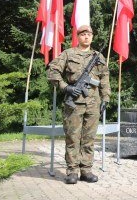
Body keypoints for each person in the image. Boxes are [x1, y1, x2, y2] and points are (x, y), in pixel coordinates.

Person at [47, 25, 110, 184]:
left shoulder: (98, 57)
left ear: (92, 37)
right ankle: (72, 171)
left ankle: (86, 170)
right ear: (78, 37)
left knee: (89, 138)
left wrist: (106, 98)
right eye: (83, 34)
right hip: (74, 103)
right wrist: (67, 87)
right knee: (73, 137)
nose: (86, 37)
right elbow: (53, 71)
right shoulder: (68, 54)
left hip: (93, 103)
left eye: (89, 34)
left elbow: (104, 79)